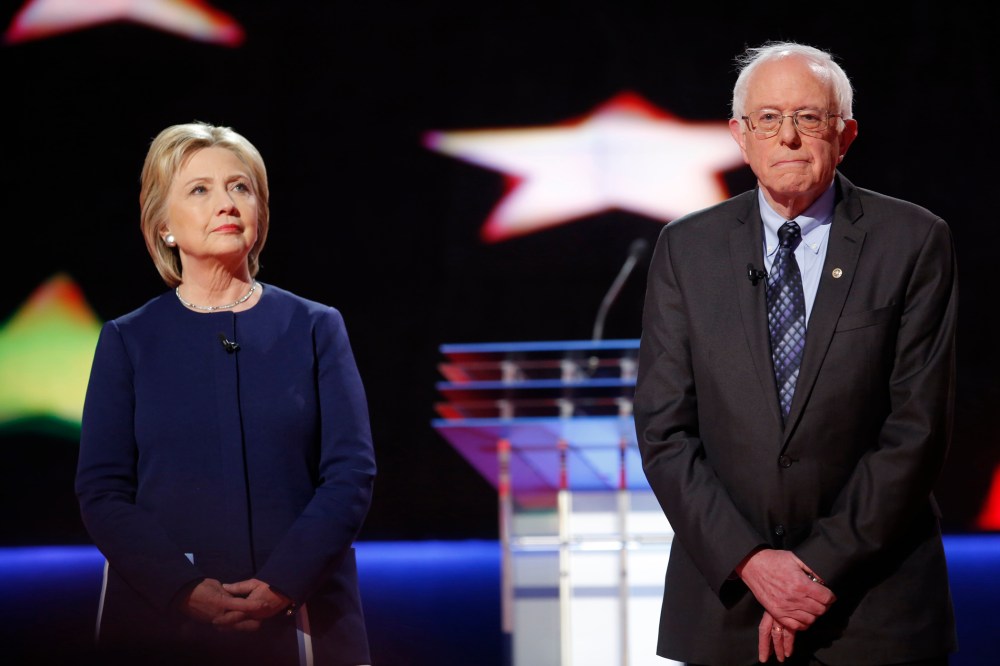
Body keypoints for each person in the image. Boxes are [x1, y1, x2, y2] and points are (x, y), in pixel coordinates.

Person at [634, 41, 958, 665]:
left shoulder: (913, 242)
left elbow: (917, 430)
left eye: (809, 118)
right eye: (768, 119)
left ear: (845, 135)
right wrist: (754, 564)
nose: (788, 137)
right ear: (740, 135)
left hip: (874, 608)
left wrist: (815, 569)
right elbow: (663, 430)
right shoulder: (686, 250)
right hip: (727, 606)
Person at [75, 122, 377, 666]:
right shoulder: (127, 339)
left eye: (241, 187)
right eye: (200, 189)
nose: (228, 203)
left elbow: (351, 475)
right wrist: (182, 588)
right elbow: (102, 492)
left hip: (303, 617)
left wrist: (284, 583)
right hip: (160, 618)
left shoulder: (315, 327)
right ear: (163, 225)